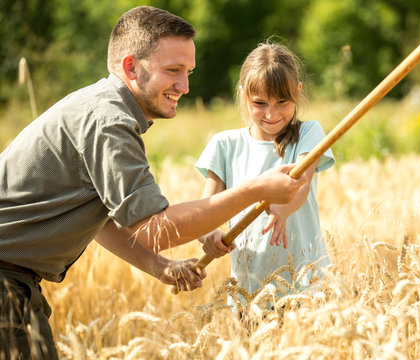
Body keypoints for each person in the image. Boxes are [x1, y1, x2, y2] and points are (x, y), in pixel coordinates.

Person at [0, 7, 307, 359]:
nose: (185, 86)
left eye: (188, 72)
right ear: (131, 67)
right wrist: (255, 190)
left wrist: (158, 266)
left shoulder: (102, 108)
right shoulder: (109, 122)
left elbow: (99, 219)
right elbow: (155, 229)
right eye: (173, 70)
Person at [196, 41, 335, 307]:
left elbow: (301, 182)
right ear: (243, 96)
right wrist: (209, 235)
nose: (271, 114)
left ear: (298, 92)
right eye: (259, 103)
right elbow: (206, 209)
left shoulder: (308, 133)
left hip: (307, 283)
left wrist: (283, 209)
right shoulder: (224, 145)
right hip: (249, 290)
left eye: (282, 102)